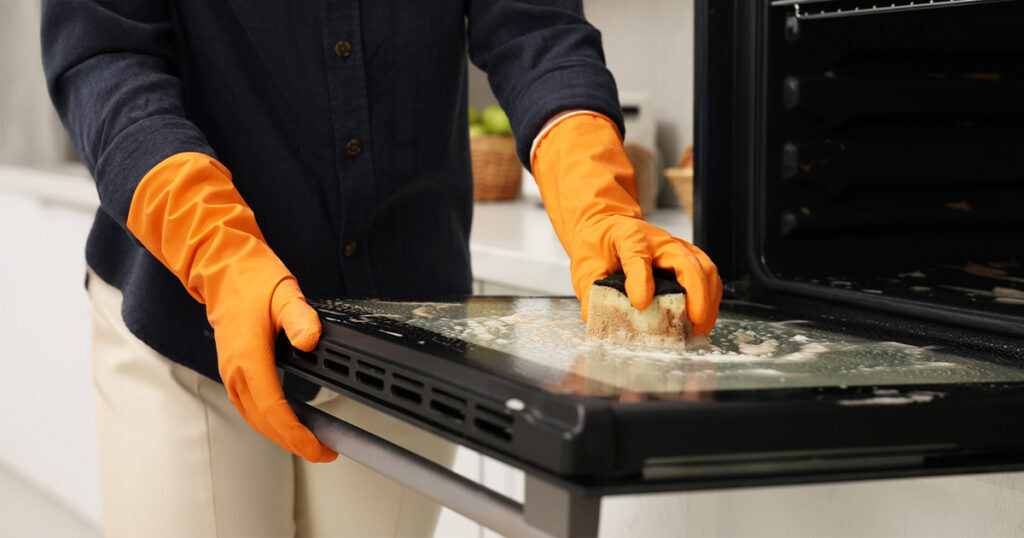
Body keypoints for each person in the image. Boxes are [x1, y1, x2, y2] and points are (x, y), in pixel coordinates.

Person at [42, 1, 722, 536]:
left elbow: (533, 23)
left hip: (401, 330)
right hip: (184, 329)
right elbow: (103, 49)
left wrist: (596, 202)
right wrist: (213, 249)